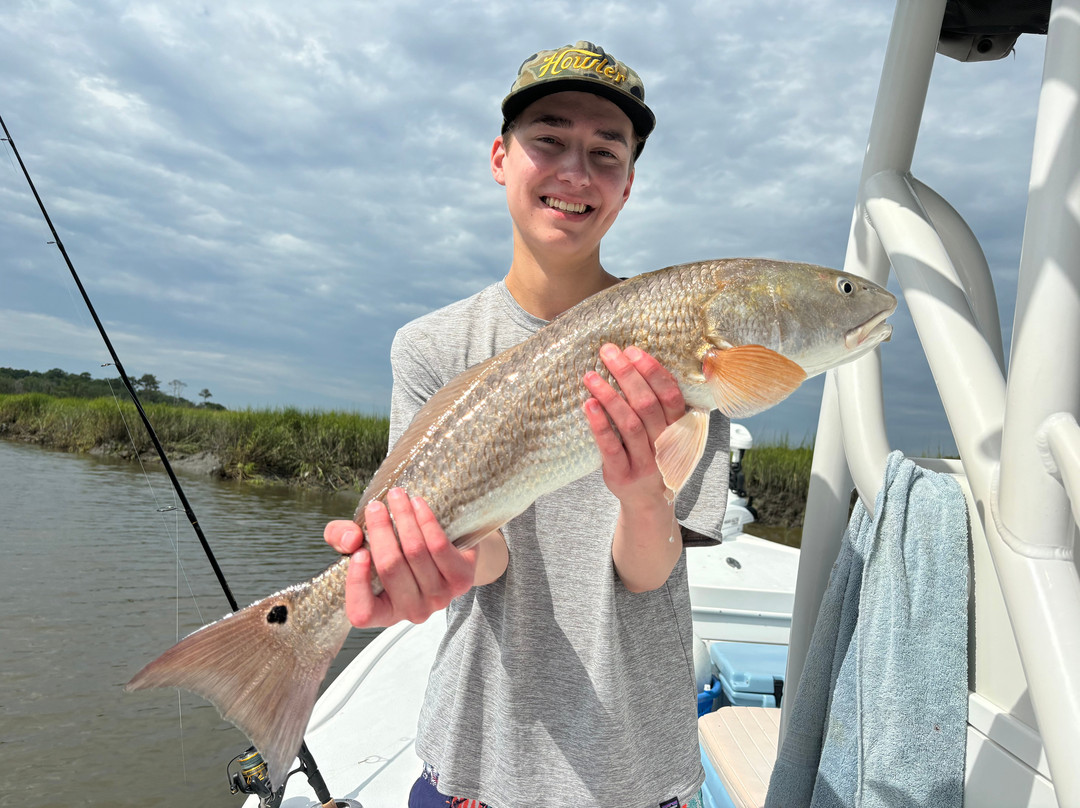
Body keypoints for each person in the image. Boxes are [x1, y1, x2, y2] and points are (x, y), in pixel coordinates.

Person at [324, 41, 729, 808]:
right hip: (476, 756)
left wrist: (643, 492)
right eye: (549, 139)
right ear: (500, 157)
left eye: (606, 153)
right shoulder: (432, 347)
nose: (576, 172)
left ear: (628, 186)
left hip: (632, 770)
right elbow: (492, 561)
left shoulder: (683, 338)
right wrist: (433, 557)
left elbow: (648, 574)